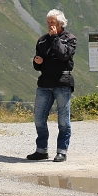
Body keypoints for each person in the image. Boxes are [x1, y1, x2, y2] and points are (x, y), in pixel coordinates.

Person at [29, 9, 76, 162]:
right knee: (39, 118)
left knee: (63, 120)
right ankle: (41, 150)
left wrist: (55, 37)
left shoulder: (69, 38)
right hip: (44, 84)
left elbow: (63, 55)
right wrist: (37, 62)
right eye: (48, 22)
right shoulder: (42, 40)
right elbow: (38, 65)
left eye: (53, 22)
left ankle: (62, 151)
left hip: (62, 83)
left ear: (60, 23)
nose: (50, 25)